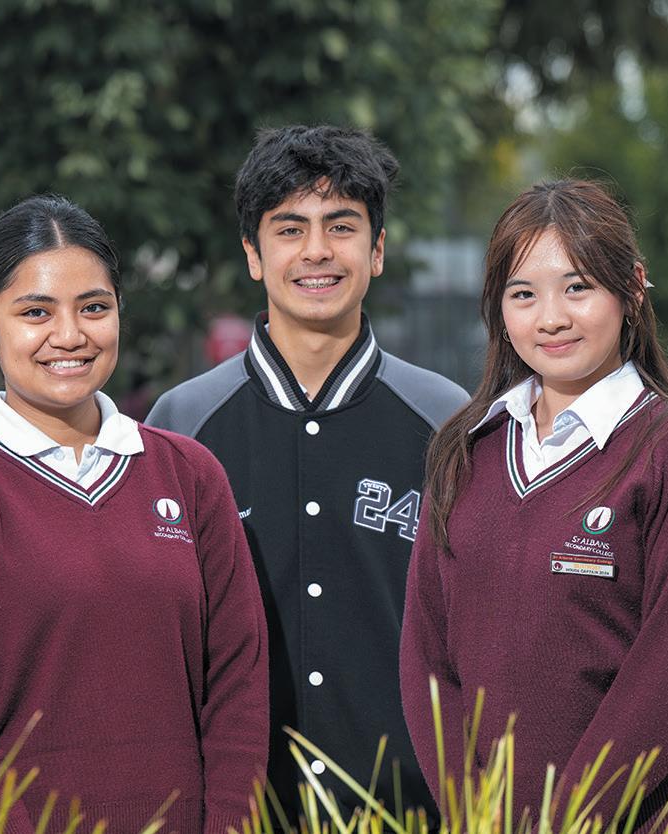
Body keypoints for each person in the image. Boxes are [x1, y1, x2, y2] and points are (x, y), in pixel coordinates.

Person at [0, 195, 268, 834]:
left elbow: (238, 683)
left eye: (93, 307)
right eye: (36, 312)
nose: (69, 336)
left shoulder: (189, 473)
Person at [400, 179, 668, 830]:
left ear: (632, 288)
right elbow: (427, 657)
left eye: (577, 287)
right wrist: (472, 816)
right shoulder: (464, 452)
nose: (550, 318)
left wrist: (571, 821)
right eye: (523, 294)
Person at [147, 125, 465, 815]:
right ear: (252, 254)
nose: (316, 250)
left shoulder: (448, 422)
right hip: (236, 812)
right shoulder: (181, 424)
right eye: (289, 229)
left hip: (409, 809)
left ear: (377, 250)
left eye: (341, 226)